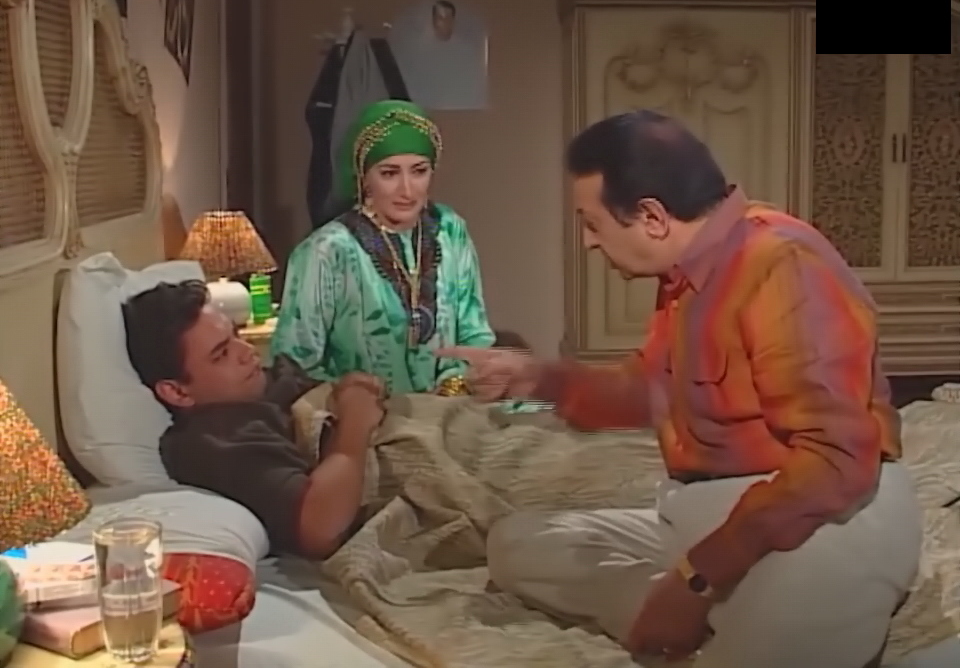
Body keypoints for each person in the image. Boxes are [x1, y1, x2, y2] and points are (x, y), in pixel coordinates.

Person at [438, 110, 922, 668]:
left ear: (651, 216)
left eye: (592, 224)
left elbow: (836, 462)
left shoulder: (783, 263)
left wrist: (697, 578)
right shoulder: (688, 274)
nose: (589, 243)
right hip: (719, 521)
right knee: (517, 545)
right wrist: (541, 378)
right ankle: (723, 615)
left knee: (768, 644)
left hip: (820, 516)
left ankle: (737, 614)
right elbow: (651, 389)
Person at [123, 279, 384, 559]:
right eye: (222, 354)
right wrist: (356, 419)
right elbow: (319, 526)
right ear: (177, 392)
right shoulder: (215, 441)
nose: (247, 351)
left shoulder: (272, 382)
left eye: (236, 334)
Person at [272, 99, 495, 396]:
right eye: (389, 173)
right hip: (365, 416)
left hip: (451, 406)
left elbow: (474, 334)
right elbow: (296, 366)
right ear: (364, 178)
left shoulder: (450, 231)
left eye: (419, 171)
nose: (407, 190)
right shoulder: (327, 250)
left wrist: (455, 386)